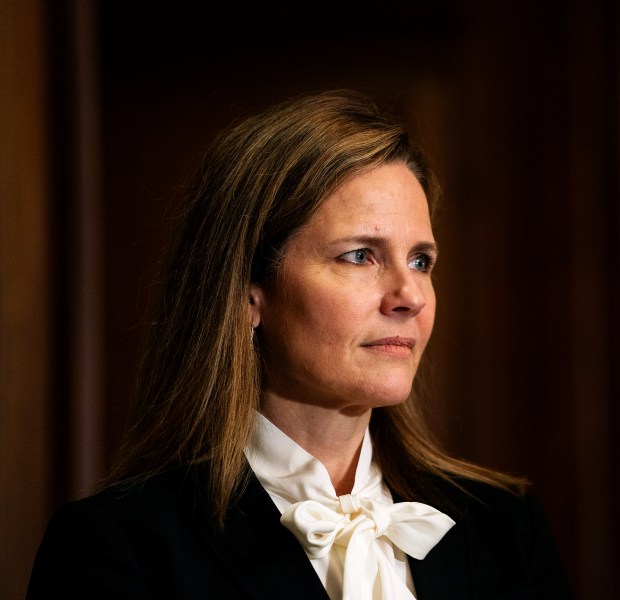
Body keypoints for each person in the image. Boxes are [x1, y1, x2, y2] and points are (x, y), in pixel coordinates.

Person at [27, 91, 571, 599]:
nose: (410, 296)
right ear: (248, 294)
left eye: (420, 260)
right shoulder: (121, 548)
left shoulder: (507, 528)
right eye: (360, 255)